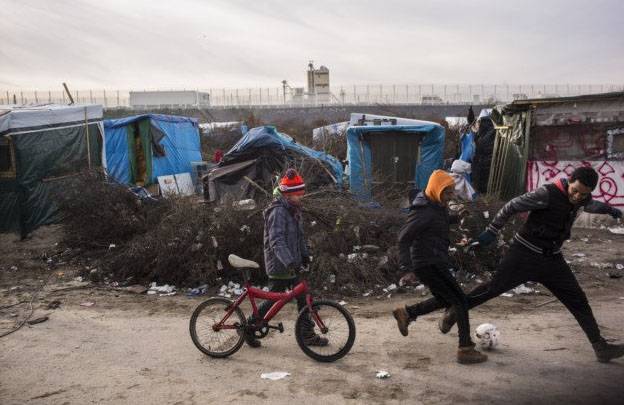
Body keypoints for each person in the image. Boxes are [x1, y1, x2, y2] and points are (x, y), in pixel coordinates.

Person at [428, 166, 624, 363]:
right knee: (493, 288)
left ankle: (600, 347)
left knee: (578, 300)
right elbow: (512, 205)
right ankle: (455, 310)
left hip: (552, 260)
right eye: (575, 191)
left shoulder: (583, 198)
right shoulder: (546, 193)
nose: (577, 197)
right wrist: (492, 231)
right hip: (524, 254)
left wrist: (611, 209)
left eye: (583, 194)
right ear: (569, 181)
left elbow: (590, 205)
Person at [392, 170, 488, 364]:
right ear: (436, 189)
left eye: (451, 192)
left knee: (445, 298)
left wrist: (456, 216)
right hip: (427, 263)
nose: (450, 196)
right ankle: (465, 348)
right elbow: (404, 238)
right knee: (460, 300)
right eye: (447, 192)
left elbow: (439, 220)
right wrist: (406, 268)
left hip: (434, 260)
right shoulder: (423, 211)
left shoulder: (435, 204)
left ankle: (408, 313)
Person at [244, 169, 328, 348]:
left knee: (303, 298)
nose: (301, 197)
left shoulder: (294, 209)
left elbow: (299, 237)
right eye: (298, 194)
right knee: (275, 298)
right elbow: (276, 241)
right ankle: (249, 326)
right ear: (288, 195)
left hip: (293, 263)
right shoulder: (278, 211)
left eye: (301, 193)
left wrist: (304, 256)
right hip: (280, 264)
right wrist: (290, 262)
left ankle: (307, 335)